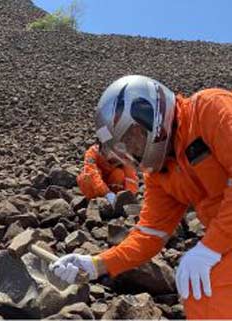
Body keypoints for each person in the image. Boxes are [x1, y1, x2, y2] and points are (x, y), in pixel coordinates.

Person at [49, 75, 232, 319]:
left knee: (210, 284)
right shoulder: (161, 172)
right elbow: (150, 233)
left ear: (147, 114)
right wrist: (96, 264)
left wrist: (210, 247)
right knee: (200, 289)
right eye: (123, 148)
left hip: (224, 236)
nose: (132, 152)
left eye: (131, 139)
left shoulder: (210, 110)